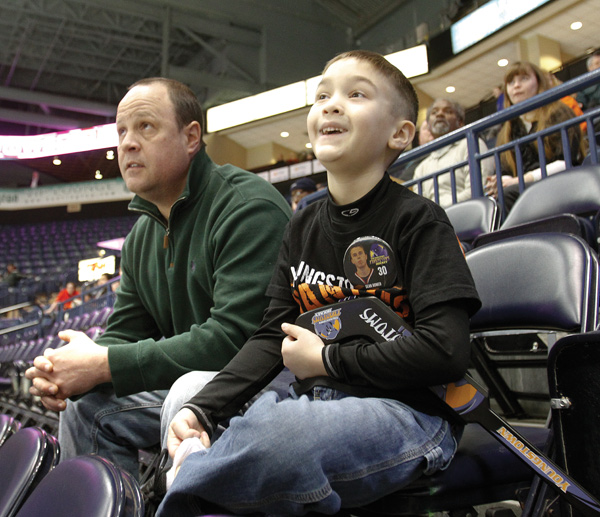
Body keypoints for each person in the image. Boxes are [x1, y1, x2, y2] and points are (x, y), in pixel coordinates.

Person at [157, 50, 481, 516]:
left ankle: (186, 482)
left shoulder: (419, 220)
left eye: (355, 94)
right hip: (314, 398)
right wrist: (203, 410)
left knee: (281, 434)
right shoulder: (301, 224)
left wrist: (328, 358)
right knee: (187, 392)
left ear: (400, 133)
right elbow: (273, 336)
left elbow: (446, 351)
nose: (330, 104)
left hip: (409, 413)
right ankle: (205, 471)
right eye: (323, 94)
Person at [25, 77, 292, 477]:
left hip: (269, 384)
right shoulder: (139, 240)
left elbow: (236, 340)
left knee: (188, 393)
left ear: (191, 138)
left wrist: (103, 364)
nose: (128, 143)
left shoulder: (247, 207)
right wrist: (64, 371)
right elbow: (124, 333)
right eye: (122, 132)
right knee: (85, 406)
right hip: (195, 386)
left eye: (146, 127)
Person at [485, 61, 583, 211]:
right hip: (522, 190)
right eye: (511, 82)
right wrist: (500, 181)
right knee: (489, 203)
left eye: (524, 79)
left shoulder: (559, 113)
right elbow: (505, 171)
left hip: (561, 182)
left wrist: (520, 181)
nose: (516, 86)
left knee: (509, 194)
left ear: (539, 83)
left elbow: (566, 161)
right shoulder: (506, 130)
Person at [412, 98, 494, 208]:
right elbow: (419, 208)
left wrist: (441, 212)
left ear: (460, 123)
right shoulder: (421, 169)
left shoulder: (471, 145)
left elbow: (477, 190)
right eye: (434, 112)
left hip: (467, 215)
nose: (440, 114)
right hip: (434, 221)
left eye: (448, 111)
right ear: (429, 126)